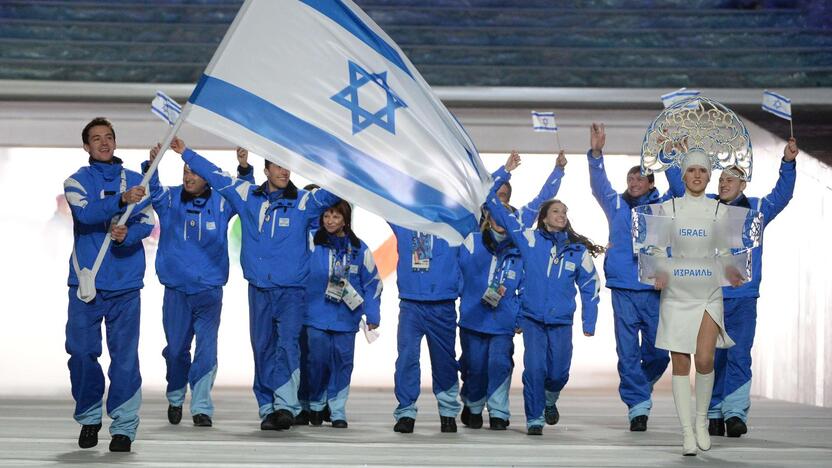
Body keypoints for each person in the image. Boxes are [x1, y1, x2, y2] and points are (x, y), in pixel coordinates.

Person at [168, 138, 339, 431]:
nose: (284, 172)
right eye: (278, 166)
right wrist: (186, 153)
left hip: (291, 292)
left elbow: (331, 194)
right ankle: (267, 407)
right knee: (261, 347)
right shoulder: (247, 195)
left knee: (287, 346)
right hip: (258, 289)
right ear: (267, 168)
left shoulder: (304, 201)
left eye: (288, 167)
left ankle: (285, 405)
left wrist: (344, 163)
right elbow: (215, 176)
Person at [666, 139, 799, 437]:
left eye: (731, 179)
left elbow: (783, 194)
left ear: (743, 185)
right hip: (708, 295)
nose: (725, 183)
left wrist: (788, 163)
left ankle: (735, 412)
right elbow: (679, 187)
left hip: (743, 296)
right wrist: (675, 155)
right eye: (722, 178)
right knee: (710, 356)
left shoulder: (757, 210)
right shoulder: (706, 206)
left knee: (739, 354)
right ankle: (713, 411)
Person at [143, 145, 255, 428]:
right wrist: (152, 163)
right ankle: (176, 395)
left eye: (195, 172)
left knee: (207, 348)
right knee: (177, 349)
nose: (189, 177)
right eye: (185, 171)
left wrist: (243, 168)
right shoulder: (169, 198)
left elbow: (243, 194)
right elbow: (151, 188)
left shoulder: (221, 202)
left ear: (207, 177)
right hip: (176, 290)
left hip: (209, 290)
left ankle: (202, 406)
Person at [456, 150, 566, 430]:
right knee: (475, 366)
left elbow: (542, 202)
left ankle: (498, 411)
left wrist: (557, 172)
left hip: (503, 320)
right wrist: (505, 170)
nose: (501, 218)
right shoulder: (472, 240)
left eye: (507, 215)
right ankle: (472, 402)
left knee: (500, 364)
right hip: (472, 317)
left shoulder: (520, 246)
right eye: (497, 214)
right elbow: (458, 275)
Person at [63, 117, 155, 452]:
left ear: (115, 142)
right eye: (96, 138)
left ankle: (124, 427)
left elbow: (147, 221)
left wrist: (127, 234)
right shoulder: (75, 181)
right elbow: (85, 215)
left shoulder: (135, 181)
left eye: (109, 137)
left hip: (126, 284)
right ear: (86, 146)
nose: (104, 143)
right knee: (82, 353)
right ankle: (89, 417)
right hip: (86, 285)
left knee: (125, 358)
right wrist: (120, 201)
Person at [586, 122, 683, 431]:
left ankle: (640, 384)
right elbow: (598, 184)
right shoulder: (616, 205)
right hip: (624, 287)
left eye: (641, 176)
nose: (634, 180)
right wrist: (596, 153)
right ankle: (638, 407)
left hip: (654, 286)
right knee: (627, 350)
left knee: (658, 353)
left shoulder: (662, 205)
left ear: (651, 181)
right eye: (630, 176)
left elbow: (681, 190)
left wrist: (667, 156)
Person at [487, 180, 602, 436]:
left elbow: (591, 286)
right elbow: (503, 217)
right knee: (535, 368)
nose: (561, 215)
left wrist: (589, 321)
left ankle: (550, 400)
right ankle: (535, 417)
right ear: (544, 217)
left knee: (559, 373)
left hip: (561, 321)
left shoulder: (577, 251)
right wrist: (491, 186)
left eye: (564, 212)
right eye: (556, 211)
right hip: (532, 319)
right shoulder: (528, 240)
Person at [650, 150, 739, 456]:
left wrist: (732, 270)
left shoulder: (720, 211)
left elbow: (727, 252)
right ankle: (686, 432)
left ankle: (701, 420)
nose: (697, 175)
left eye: (702, 170)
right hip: (676, 291)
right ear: (684, 175)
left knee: (704, 358)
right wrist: (660, 273)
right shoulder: (667, 208)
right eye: (691, 171)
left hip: (707, 291)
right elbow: (657, 249)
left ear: (709, 175)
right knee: (681, 361)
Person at [303, 200, 382, 428]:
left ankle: (337, 409)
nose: (330, 221)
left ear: (346, 220)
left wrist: (373, 315)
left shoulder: (359, 249)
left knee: (343, 362)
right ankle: (317, 404)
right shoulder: (311, 243)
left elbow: (372, 283)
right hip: (315, 315)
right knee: (316, 361)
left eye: (335, 217)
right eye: (326, 216)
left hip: (347, 318)